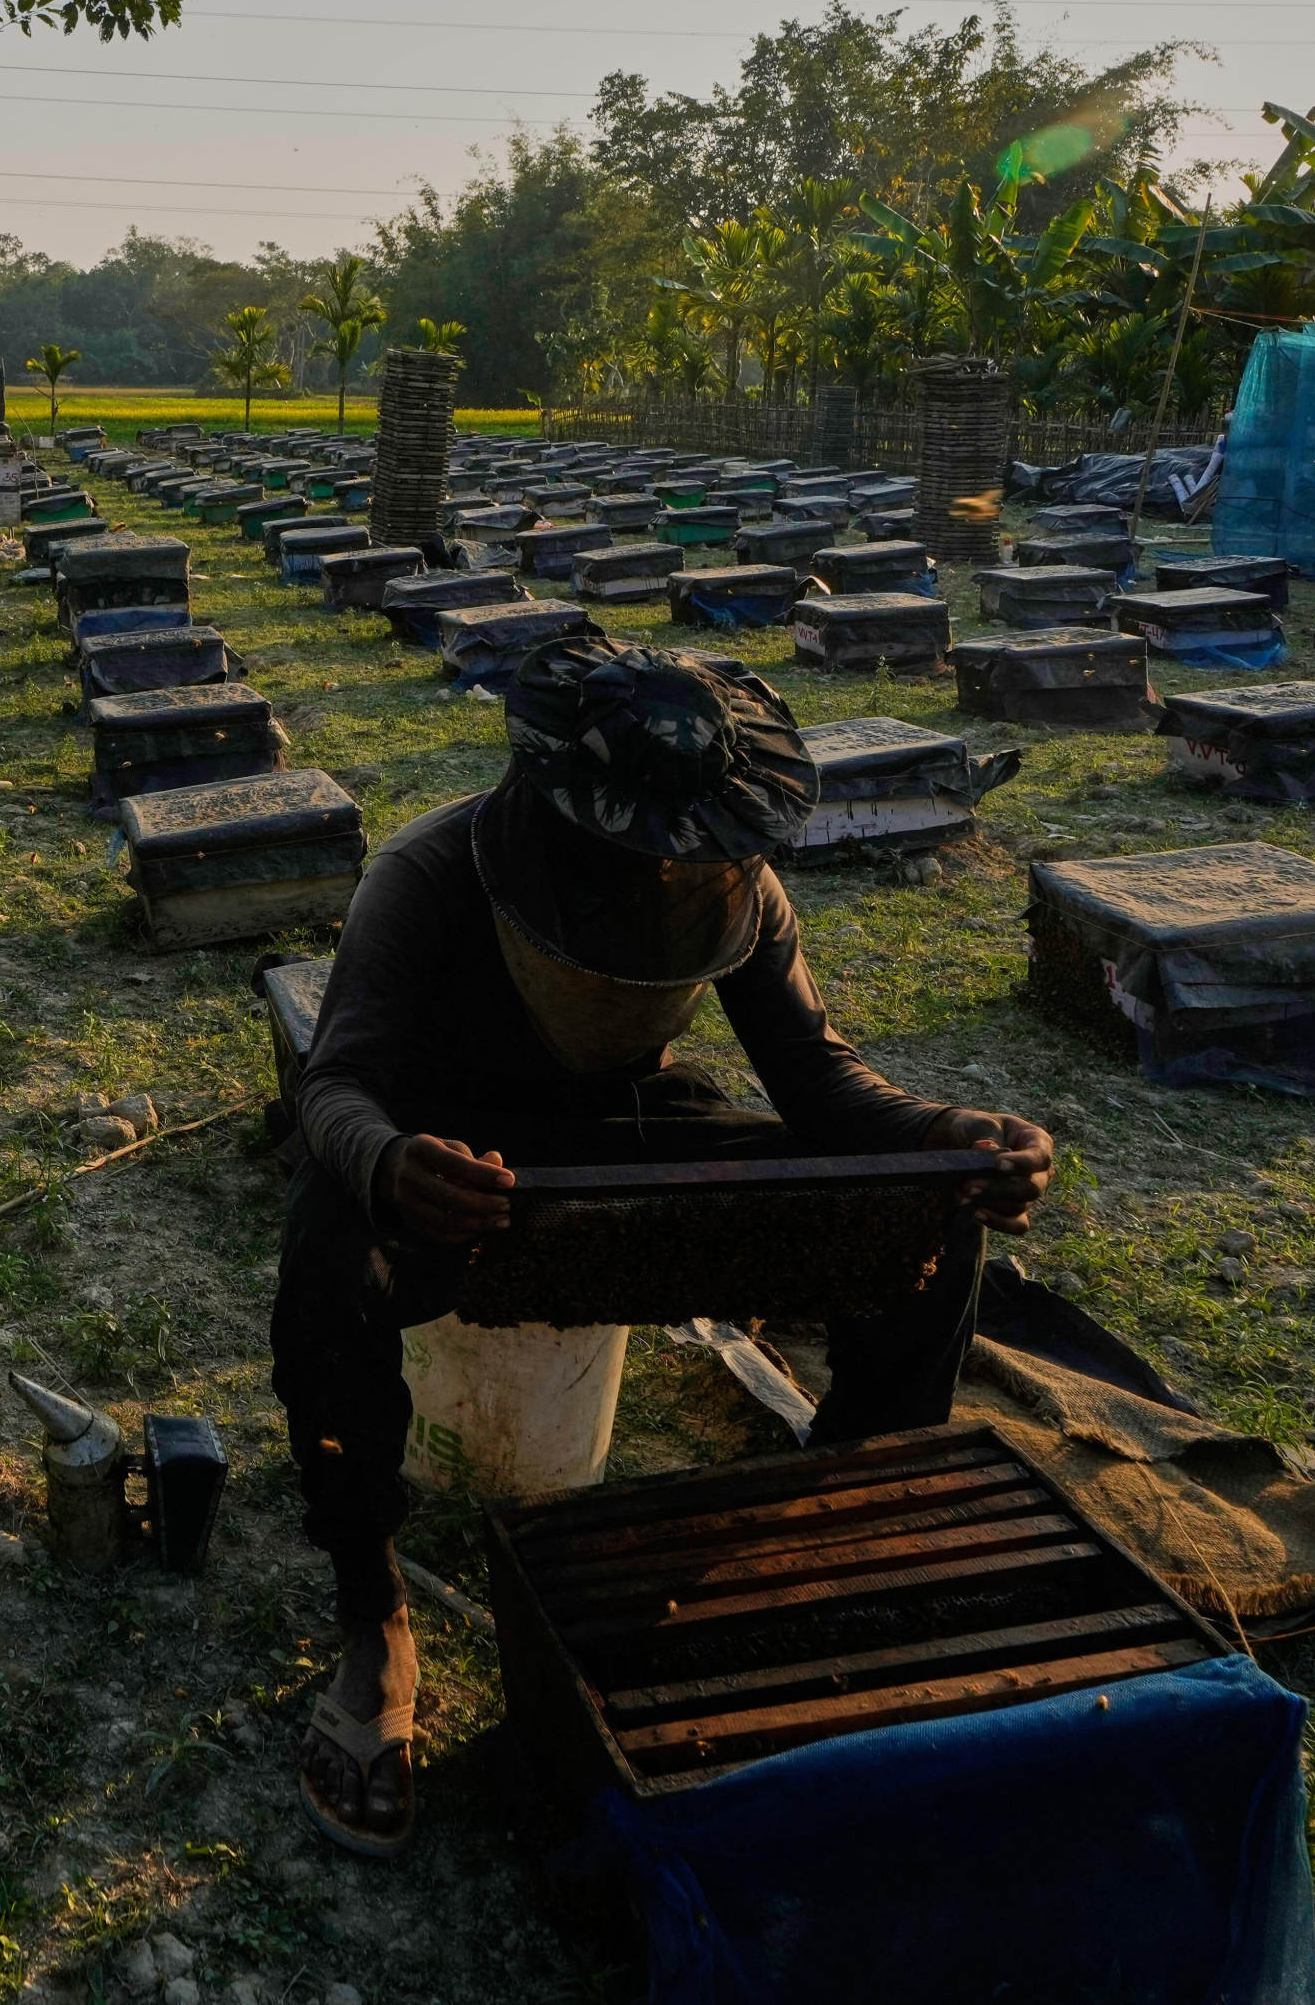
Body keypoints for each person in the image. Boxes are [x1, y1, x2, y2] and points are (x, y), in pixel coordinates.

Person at [277, 636, 1053, 1857]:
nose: (653, 875)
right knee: (328, 1252)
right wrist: (389, 1163)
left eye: (678, 855)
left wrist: (946, 1136)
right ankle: (373, 1613)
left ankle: (845, 1502)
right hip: (458, 1143)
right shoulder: (428, 871)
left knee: (923, 1203)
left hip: (630, 1122)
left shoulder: (738, 882)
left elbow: (819, 1081)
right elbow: (338, 1084)